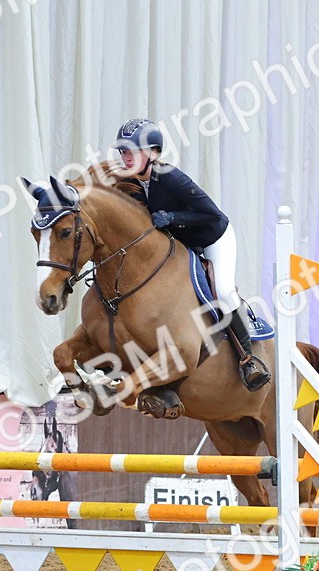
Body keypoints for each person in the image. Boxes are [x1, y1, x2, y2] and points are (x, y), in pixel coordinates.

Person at [111, 118, 269, 391]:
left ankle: (248, 359)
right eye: (123, 151)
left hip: (214, 237)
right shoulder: (132, 183)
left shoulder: (171, 176)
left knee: (224, 291)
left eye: (132, 151)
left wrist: (171, 217)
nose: (126, 158)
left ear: (153, 153)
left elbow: (211, 213)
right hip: (184, 242)